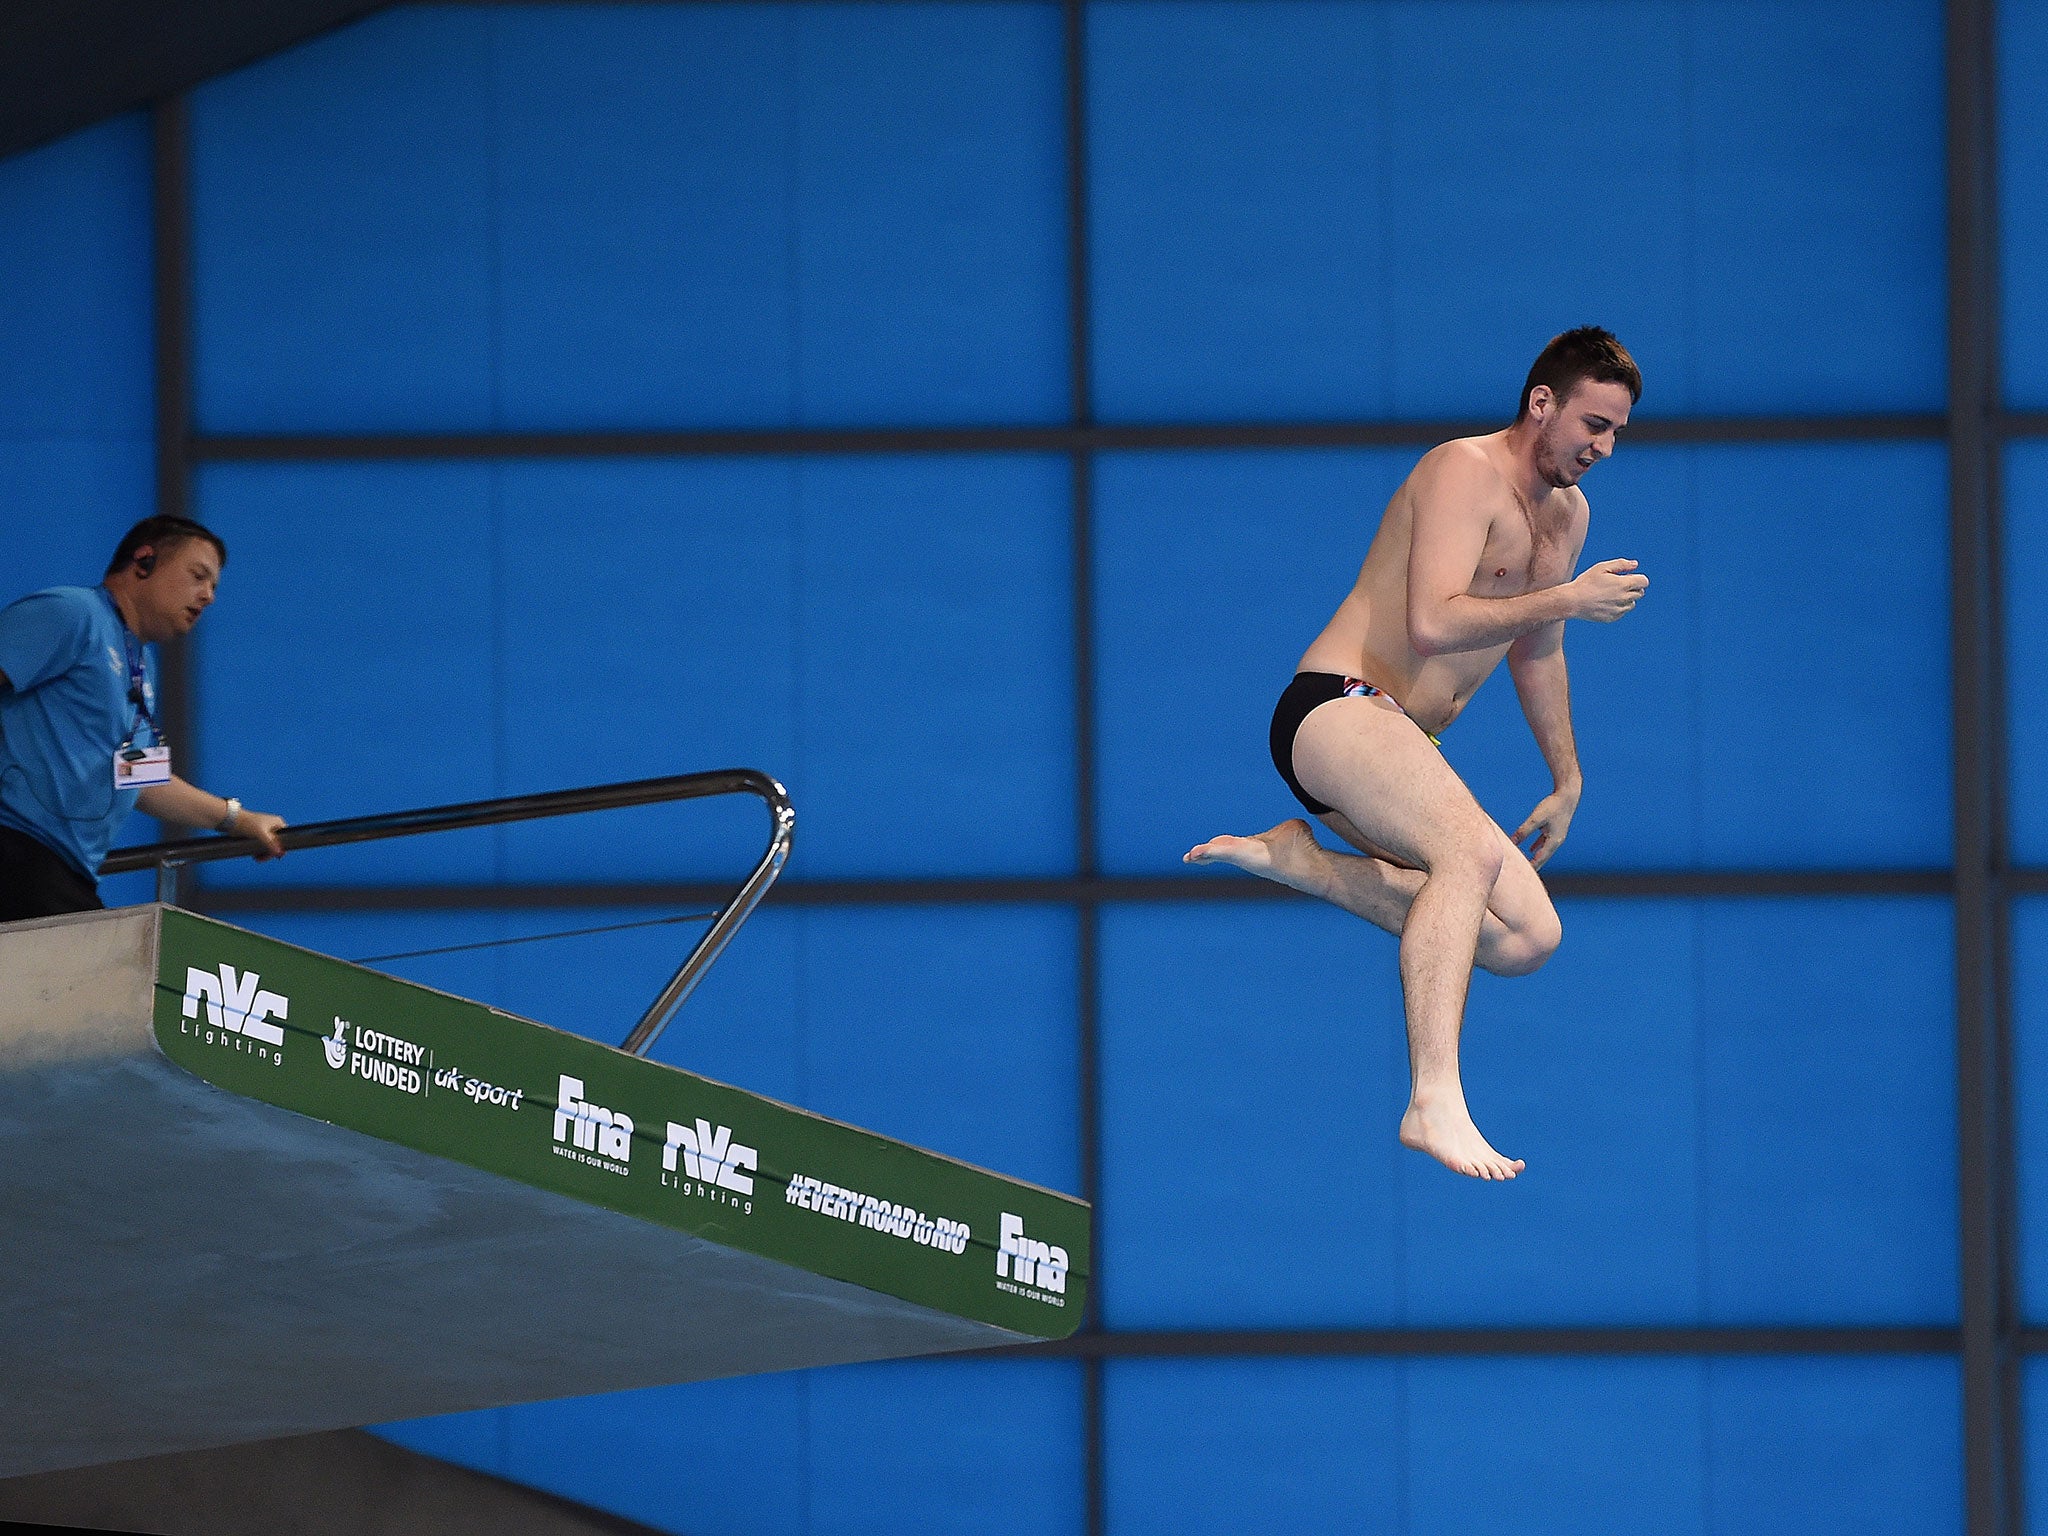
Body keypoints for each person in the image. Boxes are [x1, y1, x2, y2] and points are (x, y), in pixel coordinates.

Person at [1185, 327, 1649, 1181]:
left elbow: (1537, 646)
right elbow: (1432, 619)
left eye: (1616, 431)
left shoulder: (1568, 517)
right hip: (1337, 708)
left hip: (1403, 740)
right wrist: (1570, 598)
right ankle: (1433, 1096)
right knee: (1467, 852)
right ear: (1541, 402)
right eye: (1593, 422)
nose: (1603, 447)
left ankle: (1306, 865)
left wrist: (1568, 777)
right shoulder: (1460, 471)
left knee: (1527, 937)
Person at [0, 515, 288, 922]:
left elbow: (139, 779)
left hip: (65, 873)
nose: (208, 596)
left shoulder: (140, 666)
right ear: (145, 561)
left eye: (214, 586)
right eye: (198, 576)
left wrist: (236, 819)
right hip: (18, 851)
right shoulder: (71, 613)